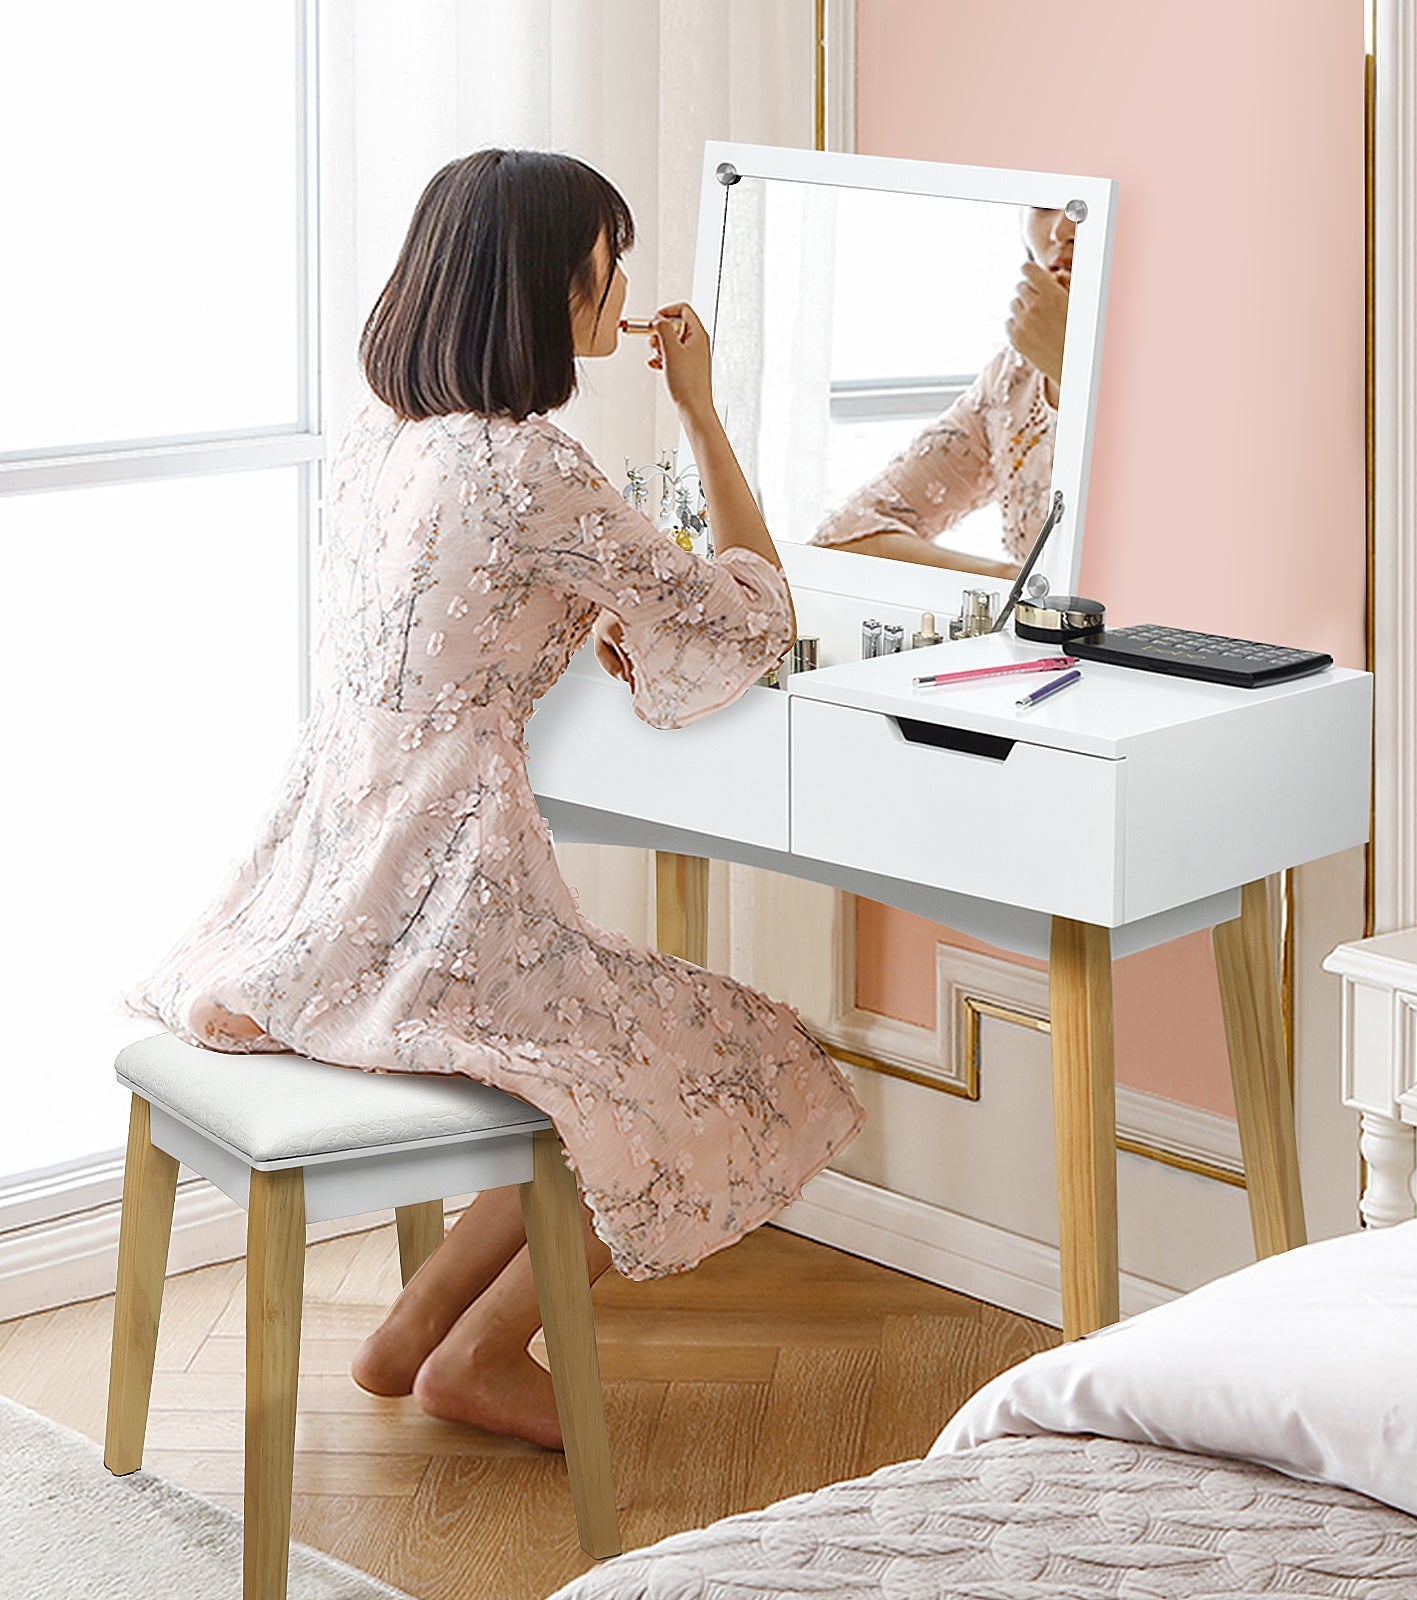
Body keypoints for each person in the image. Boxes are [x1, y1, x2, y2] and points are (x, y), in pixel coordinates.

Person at [126, 148, 865, 1447]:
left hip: (319, 884)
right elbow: (751, 615)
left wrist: (587, 622)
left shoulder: (383, 447)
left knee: (612, 1051)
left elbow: (458, 626)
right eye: (603, 259)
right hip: (447, 894)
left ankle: (421, 1334)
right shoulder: (534, 468)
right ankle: (474, 1350)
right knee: (727, 1058)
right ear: (543, 285)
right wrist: (699, 408)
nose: (619, 285)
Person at [811, 206, 1077, 579]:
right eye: (1046, 205)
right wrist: (1017, 584)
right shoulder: (1012, 378)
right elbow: (842, 540)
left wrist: (1070, 364)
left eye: (1083, 208)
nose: (1062, 229)